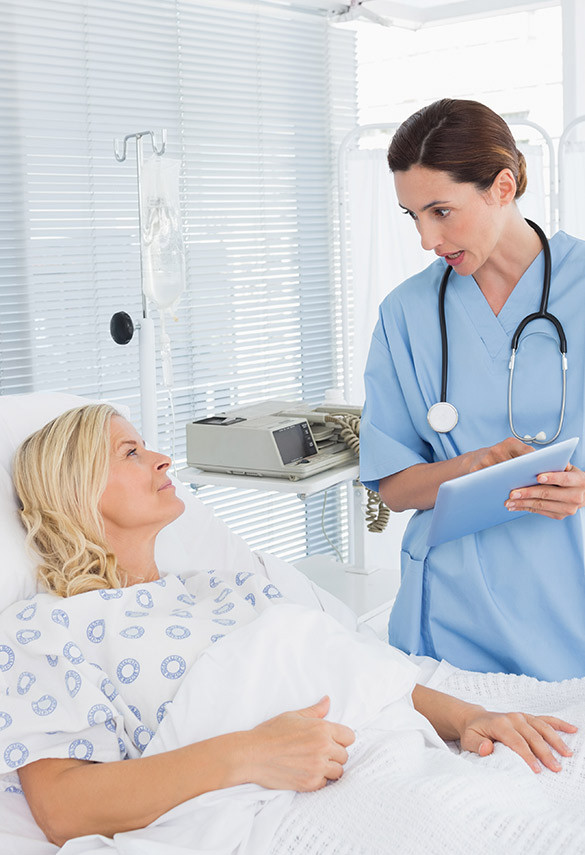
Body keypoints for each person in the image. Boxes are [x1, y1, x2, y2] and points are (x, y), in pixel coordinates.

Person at [0, 403, 576, 848]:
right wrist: (251, 755)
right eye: (130, 452)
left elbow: (353, 669)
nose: (161, 460)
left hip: (380, 749)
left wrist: (470, 716)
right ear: (74, 486)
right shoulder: (46, 632)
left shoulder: (223, 584)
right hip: (284, 805)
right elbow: (61, 810)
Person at [359, 98, 585, 682]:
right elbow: (396, 487)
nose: (428, 238)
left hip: (569, 604)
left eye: (441, 211)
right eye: (413, 215)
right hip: (448, 617)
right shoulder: (405, 314)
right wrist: (477, 464)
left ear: (502, 186)